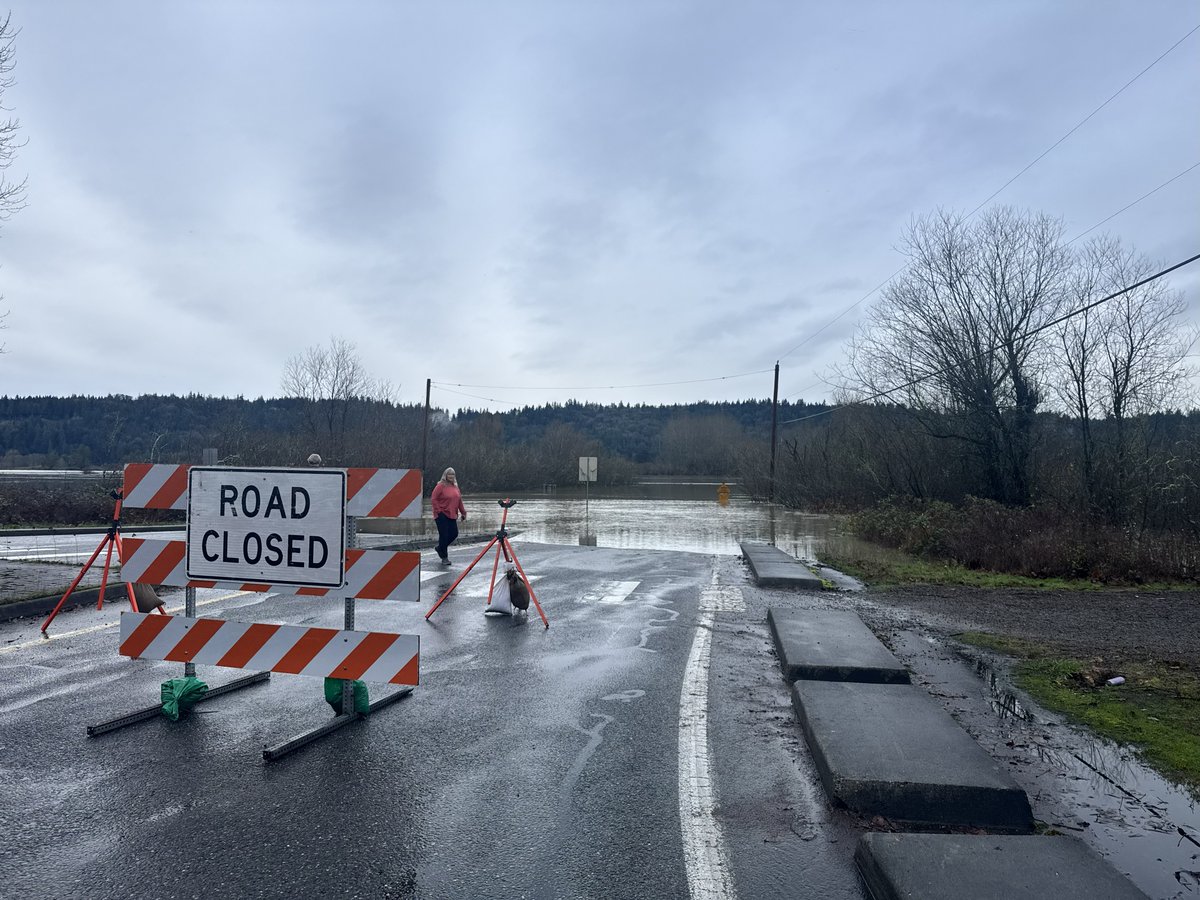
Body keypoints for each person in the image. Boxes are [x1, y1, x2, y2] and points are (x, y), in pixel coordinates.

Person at [431, 467, 467, 566]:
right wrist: (438, 511)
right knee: (444, 535)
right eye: (449, 474)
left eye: (453, 474)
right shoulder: (440, 486)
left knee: (454, 533)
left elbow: (459, 501)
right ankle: (444, 558)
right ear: (445, 475)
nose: (451, 476)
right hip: (441, 514)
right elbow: (434, 499)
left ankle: (440, 548)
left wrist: (463, 513)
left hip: (452, 514)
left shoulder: (455, 487)